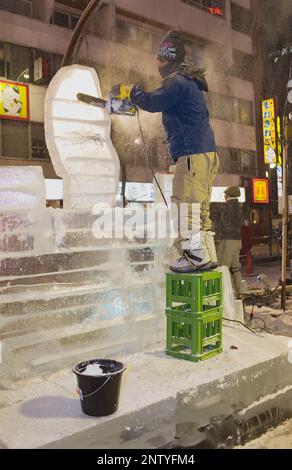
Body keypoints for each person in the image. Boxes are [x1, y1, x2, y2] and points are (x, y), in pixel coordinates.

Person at [128, 30, 219, 272]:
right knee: (199, 207)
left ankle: (194, 256)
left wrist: (134, 93)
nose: (156, 64)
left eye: (159, 58)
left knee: (184, 204)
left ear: (168, 58)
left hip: (192, 153)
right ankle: (206, 252)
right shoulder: (189, 82)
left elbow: (153, 101)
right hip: (204, 153)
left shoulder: (176, 82)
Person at [217, 186, 243, 298]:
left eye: (225, 195)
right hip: (238, 240)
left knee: (223, 268)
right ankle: (239, 293)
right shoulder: (240, 207)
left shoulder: (226, 207)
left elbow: (221, 223)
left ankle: (226, 295)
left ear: (228, 195)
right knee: (235, 268)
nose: (224, 196)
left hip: (228, 240)